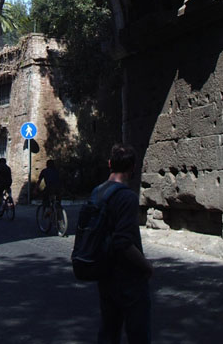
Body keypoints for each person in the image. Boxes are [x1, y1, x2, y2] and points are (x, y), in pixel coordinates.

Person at [96, 144, 153, 344]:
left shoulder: (97, 192)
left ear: (110, 164)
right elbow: (123, 242)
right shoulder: (127, 196)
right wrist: (146, 266)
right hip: (128, 277)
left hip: (104, 274)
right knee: (138, 333)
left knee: (108, 332)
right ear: (132, 168)